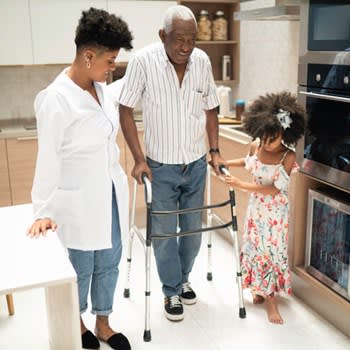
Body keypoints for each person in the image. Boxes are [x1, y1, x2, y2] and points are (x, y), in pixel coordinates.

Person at [27, 7, 133, 350]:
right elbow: (48, 158)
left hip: (111, 193)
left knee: (110, 261)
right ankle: (78, 324)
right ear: (88, 56)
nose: (113, 66)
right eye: (110, 60)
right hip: (77, 200)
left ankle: (103, 323)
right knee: (80, 267)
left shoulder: (103, 87)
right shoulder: (56, 98)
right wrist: (42, 209)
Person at [118, 5, 224, 322]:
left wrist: (215, 150)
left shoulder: (201, 61)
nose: (186, 47)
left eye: (192, 40)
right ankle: (171, 290)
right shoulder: (142, 62)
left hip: (195, 163)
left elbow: (212, 107)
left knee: (192, 230)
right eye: (179, 39)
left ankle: (182, 278)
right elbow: (125, 109)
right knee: (164, 232)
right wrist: (138, 159)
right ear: (163, 35)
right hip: (160, 165)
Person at [223, 91, 306, 325]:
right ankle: (259, 289)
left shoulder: (287, 157)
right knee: (255, 249)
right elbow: (248, 161)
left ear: (285, 134)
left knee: (270, 252)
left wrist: (241, 184)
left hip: (276, 215)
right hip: (255, 211)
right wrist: (225, 162)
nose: (267, 144)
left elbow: (274, 190)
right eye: (264, 138)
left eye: (273, 139)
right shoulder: (257, 145)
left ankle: (272, 302)